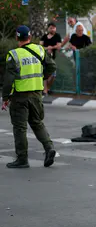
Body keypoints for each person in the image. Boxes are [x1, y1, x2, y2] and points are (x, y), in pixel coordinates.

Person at [1, 26, 57, 168]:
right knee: (37, 123)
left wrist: (5, 97)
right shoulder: (39, 50)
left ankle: (22, 159)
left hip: (20, 96)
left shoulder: (13, 55)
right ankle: (49, 147)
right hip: (36, 94)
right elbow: (52, 66)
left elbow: (9, 80)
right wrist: (41, 77)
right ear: (30, 37)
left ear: (17, 38)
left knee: (20, 128)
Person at [40, 22, 62, 96]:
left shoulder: (57, 36)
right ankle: (45, 91)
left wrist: (51, 47)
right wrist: (47, 48)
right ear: (48, 28)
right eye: (51, 28)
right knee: (45, 74)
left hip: (53, 58)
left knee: (53, 75)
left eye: (53, 28)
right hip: (44, 58)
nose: (52, 29)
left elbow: (59, 46)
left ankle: (48, 88)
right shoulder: (44, 37)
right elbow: (40, 46)